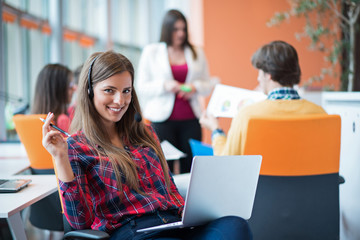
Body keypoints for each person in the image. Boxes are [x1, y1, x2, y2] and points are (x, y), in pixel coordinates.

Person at [41, 51, 252, 240]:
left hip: (174, 224)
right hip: (132, 231)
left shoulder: (146, 133)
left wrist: (192, 213)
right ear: (89, 91)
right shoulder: (76, 146)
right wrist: (60, 157)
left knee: (235, 225)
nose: (119, 100)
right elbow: (80, 223)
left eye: (126, 91)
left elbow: (170, 189)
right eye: (109, 90)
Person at [200, 40, 327, 155]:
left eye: (260, 72)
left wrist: (216, 130)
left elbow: (226, 163)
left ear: (268, 75)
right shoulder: (320, 114)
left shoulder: (247, 115)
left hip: (261, 181)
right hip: (306, 181)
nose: (258, 78)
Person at [135, 9, 214, 174]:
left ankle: (190, 200)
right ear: (167, 30)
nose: (181, 34)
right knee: (164, 168)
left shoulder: (196, 52)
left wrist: (195, 87)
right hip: (162, 121)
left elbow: (208, 84)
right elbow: (141, 86)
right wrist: (164, 85)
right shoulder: (152, 52)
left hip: (191, 119)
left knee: (191, 167)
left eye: (183, 29)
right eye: (176, 29)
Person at [32, 63, 74, 132]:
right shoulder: (62, 120)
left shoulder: (31, 120)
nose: (74, 88)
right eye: (70, 85)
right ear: (58, 89)